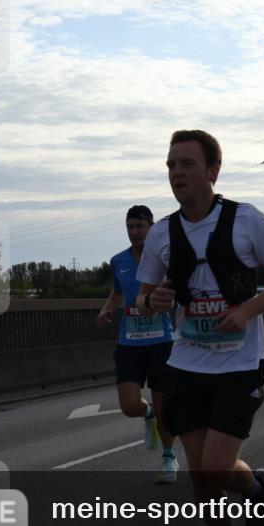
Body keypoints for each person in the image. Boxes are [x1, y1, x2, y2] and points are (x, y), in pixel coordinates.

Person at [137, 129, 264, 526]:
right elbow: (146, 298)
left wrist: (246, 311)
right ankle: (255, 492)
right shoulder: (163, 233)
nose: (176, 173)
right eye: (171, 165)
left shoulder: (248, 221)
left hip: (239, 364)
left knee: (213, 467)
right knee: (203, 476)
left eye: (186, 164)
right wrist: (156, 300)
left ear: (212, 171)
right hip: (186, 364)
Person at [97, 206, 178, 482]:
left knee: (165, 404)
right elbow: (118, 293)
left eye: (140, 227)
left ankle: (168, 457)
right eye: (130, 227)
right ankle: (148, 413)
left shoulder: (163, 259)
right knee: (129, 405)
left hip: (161, 341)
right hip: (129, 342)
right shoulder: (118, 260)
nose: (135, 233)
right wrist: (107, 309)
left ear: (151, 228)